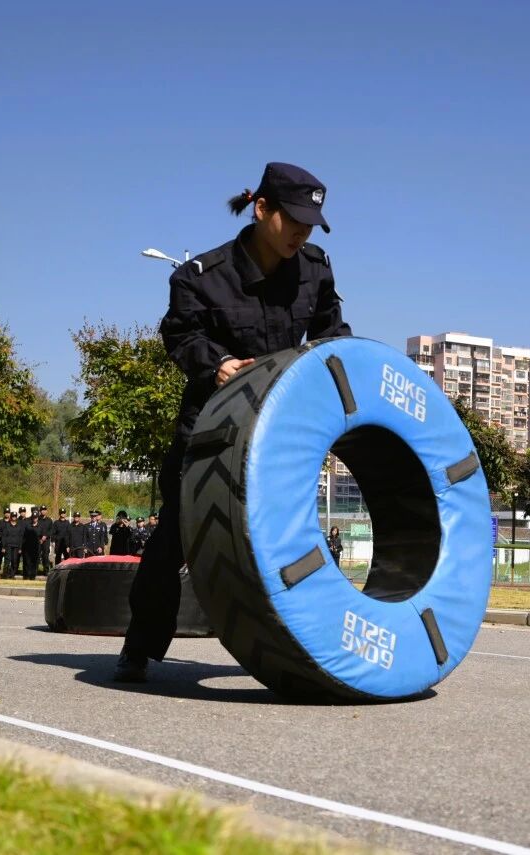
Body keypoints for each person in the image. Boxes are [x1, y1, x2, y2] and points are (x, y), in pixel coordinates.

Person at [116, 161, 349, 682]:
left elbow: (332, 334)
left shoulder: (315, 269)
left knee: (293, 538)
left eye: (310, 225)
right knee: (176, 536)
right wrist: (216, 364)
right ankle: (139, 646)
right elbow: (180, 335)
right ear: (261, 208)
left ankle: (310, 647)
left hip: (279, 432)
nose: (301, 233)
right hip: (209, 430)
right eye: (293, 220)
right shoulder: (201, 276)